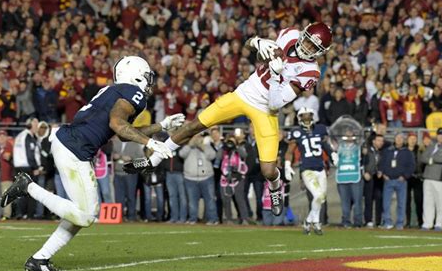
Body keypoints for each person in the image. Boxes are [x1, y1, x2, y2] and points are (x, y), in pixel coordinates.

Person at [126, 22, 333, 217]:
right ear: (303, 33)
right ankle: (153, 160)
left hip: (266, 110)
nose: (306, 46)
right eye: (307, 40)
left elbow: (275, 104)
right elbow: (246, 44)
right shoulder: (289, 34)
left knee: (268, 170)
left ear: (320, 52)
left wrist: (277, 76)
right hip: (242, 94)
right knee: (194, 125)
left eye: (312, 46)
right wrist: (256, 42)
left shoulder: (310, 72)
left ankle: (276, 185)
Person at [0, 56, 185, 271]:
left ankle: (40, 259)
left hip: (69, 141)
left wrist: (161, 126)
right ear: (135, 75)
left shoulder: (113, 91)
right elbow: (117, 123)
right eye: (147, 77)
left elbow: (123, 133)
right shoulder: (133, 94)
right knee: (87, 215)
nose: (150, 82)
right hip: (75, 148)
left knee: (80, 214)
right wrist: (150, 143)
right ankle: (28, 186)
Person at [285, 107, 337, 235]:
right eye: (304, 116)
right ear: (300, 118)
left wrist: (333, 154)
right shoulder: (296, 132)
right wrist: (287, 165)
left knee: (321, 198)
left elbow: (326, 145)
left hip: (320, 168)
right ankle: (317, 223)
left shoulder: (320, 129)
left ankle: (308, 221)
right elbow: (290, 151)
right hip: (307, 169)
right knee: (318, 195)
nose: (307, 118)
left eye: (309, 116)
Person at [378, 133, 415, 230]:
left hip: (401, 180)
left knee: (401, 203)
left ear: (404, 140)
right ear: (394, 139)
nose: (399, 140)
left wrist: (405, 176)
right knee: (386, 203)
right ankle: (387, 222)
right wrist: (383, 174)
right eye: (397, 138)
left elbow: (411, 166)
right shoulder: (388, 151)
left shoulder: (407, 152)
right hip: (388, 180)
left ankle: (400, 223)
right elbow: (382, 163)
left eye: (401, 138)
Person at [179, 133, 218, 225]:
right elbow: (181, 154)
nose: (197, 139)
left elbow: (212, 155)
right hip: (190, 178)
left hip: (206, 176)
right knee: (192, 201)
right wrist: (189, 145)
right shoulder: (188, 147)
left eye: (199, 136)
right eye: (195, 136)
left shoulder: (207, 146)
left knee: (210, 200)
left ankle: (213, 219)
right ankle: (193, 218)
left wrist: (203, 146)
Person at [420, 128, 442, 231]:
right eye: (439, 135)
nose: (440, 136)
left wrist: (430, 159)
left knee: (440, 202)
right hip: (427, 176)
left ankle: (439, 223)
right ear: (437, 135)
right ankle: (427, 223)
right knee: (427, 201)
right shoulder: (432, 145)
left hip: (439, 178)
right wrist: (432, 159)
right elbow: (422, 157)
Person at [217, 134, 249, 225]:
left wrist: (236, 146)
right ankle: (228, 219)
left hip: (238, 177)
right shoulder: (224, 150)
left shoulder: (239, 149)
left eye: (232, 141)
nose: (230, 144)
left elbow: (244, 154)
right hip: (225, 177)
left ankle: (244, 218)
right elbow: (218, 157)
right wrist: (224, 146)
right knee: (226, 199)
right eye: (229, 141)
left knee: (240, 199)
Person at [362, 133, 385, 228]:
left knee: (379, 199)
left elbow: (382, 164)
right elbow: (361, 162)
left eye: (382, 141)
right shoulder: (366, 150)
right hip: (369, 176)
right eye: (379, 140)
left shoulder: (381, 152)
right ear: (373, 141)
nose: (381, 143)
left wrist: (381, 171)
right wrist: (364, 172)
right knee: (368, 199)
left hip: (378, 178)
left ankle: (378, 221)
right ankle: (368, 220)